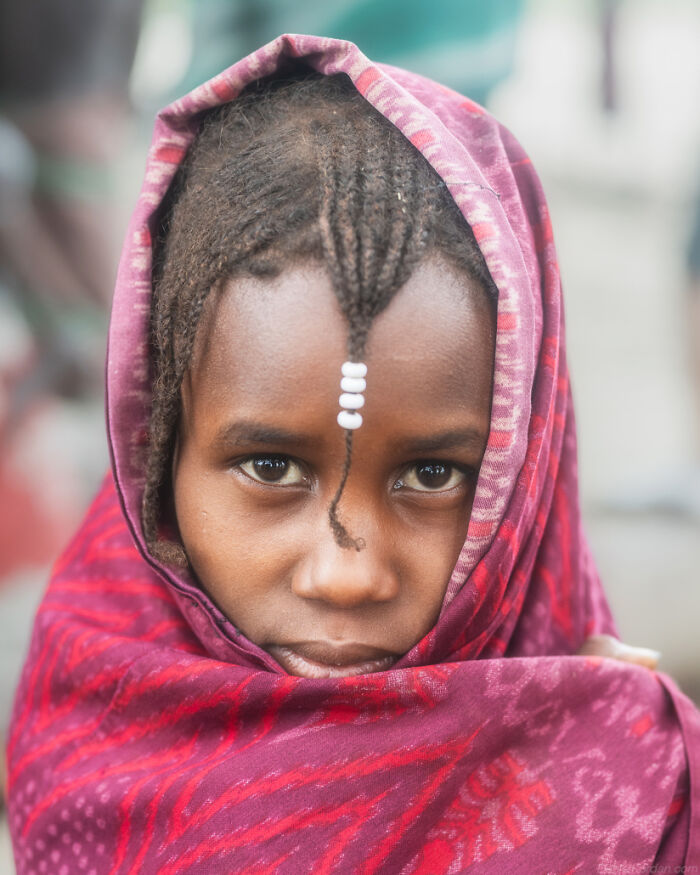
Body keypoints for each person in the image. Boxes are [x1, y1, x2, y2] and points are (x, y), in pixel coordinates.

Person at [5, 35, 698, 872]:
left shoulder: (635, 794)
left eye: (432, 475)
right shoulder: (93, 702)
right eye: (269, 466)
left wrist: (585, 753)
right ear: (156, 453)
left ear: (525, 475)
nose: (345, 575)